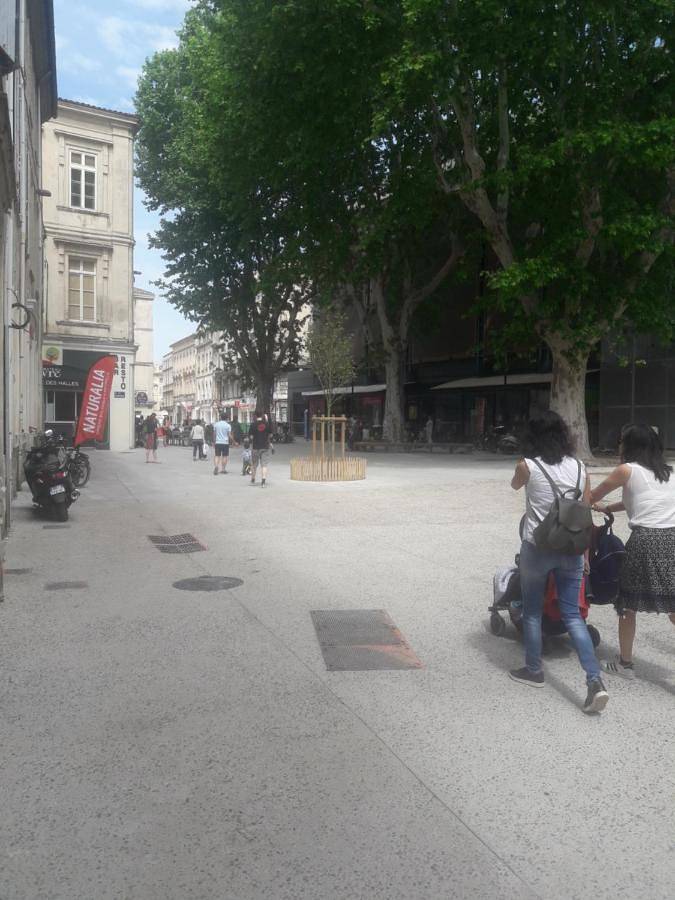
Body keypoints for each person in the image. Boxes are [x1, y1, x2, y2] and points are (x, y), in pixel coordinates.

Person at [509, 410, 608, 714]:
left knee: (533, 611)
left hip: (537, 547)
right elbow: (587, 506)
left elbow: (515, 486)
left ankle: (534, 670)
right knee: (573, 616)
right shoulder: (580, 467)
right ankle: (594, 682)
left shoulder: (527, 465)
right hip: (572, 548)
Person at [590, 424, 675, 678]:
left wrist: (589, 500)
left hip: (646, 541)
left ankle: (625, 664)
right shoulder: (667, 472)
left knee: (627, 604)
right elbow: (639, 502)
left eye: (621, 442)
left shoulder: (626, 470)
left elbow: (592, 494)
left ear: (630, 446)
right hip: (672, 537)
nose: (619, 446)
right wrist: (607, 509)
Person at [249, 409, 272, 487]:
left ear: (255, 416)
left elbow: (251, 437)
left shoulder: (252, 424)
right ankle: (263, 481)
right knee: (264, 465)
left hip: (255, 447)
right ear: (262, 415)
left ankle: (253, 479)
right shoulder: (267, 424)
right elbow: (270, 435)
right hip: (265, 446)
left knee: (254, 464)